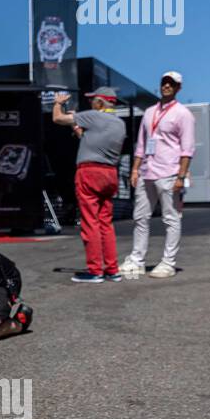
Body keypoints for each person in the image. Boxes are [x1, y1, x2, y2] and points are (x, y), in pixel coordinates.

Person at [122, 71, 196, 279]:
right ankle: (137, 259)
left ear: (178, 88)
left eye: (171, 84)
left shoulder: (183, 114)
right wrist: (135, 169)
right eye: (164, 82)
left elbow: (187, 149)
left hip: (170, 171)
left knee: (170, 218)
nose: (166, 86)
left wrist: (181, 176)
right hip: (147, 170)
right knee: (140, 217)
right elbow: (141, 144)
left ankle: (168, 262)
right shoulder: (149, 112)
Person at [53, 86, 127, 282]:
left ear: (101, 102)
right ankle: (112, 269)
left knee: (90, 222)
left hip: (89, 172)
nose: (91, 103)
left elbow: (57, 118)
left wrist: (58, 104)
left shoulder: (93, 116)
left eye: (94, 100)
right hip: (110, 173)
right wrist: (77, 125)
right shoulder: (119, 124)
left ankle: (95, 270)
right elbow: (89, 140)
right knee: (105, 223)